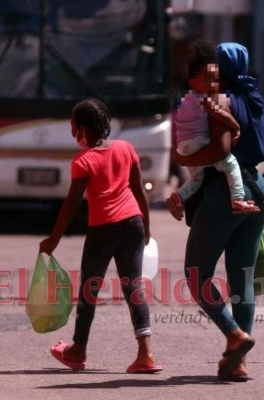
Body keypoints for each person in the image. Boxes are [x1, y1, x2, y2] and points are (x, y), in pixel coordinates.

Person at [167, 42, 264, 381]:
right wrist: (256, 189)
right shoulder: (259, 102)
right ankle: (238, 363)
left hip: (224, 192)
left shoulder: (221, 101)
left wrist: (183, 159)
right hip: (257, 190)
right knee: (242, 280)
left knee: (196, 274)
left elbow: (219, 151)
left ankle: (234, 334)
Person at [39, 98, 163, 373]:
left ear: (82, 128)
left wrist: (54, 238)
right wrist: (147, 227)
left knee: (89, 291)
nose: (73, 133)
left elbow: (72, 202)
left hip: (103, 229)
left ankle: (77, 350)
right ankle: (146, 353)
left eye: (74, 127)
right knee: (133, 288)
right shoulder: (126, 148)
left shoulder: (83, 161)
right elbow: (140, 191)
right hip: (133, 223)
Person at [174, 40, 259, 214]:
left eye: (215, 79)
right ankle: (237, 199)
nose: (213, 85)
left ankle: (178, 196)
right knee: (230, 164)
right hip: (199, 142)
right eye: (207, 80)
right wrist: (236, 126)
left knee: (196, 179)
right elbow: (220, 120)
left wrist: (182, 157)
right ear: (192, 81)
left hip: (184, 146)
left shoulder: (186, 100)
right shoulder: (207, 99)